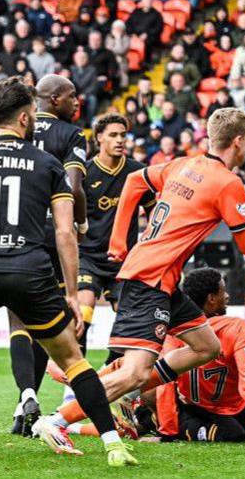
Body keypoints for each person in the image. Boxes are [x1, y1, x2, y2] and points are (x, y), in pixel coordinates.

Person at [34, 108, 245, 453]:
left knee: (207, 347)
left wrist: (119, 241)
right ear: (238, 141)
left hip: (160, 278)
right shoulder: (228, 182)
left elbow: (133, 182)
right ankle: (58, 420)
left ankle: (110, 386)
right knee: (135, 373)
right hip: (151, 279)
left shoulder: (183, 164)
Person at [0, 77, 136, 466]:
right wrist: (72, 293)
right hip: (33, 270)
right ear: (26, 118)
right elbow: (64, 231)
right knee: (73, 359)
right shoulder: (48, 164)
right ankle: (113, 444)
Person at [108, 268, 245, 444]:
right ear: (211, 299)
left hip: (204, 404)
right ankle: (145, 416)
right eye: (223, 291)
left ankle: (144, 415)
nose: (227, 296)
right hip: (197, 405)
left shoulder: (174, 329)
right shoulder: (231, 328)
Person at [6, 74, 89, 436]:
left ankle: (24, 397)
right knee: (48, 320)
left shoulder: (15, 127)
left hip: (12, 233)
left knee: (18, 322)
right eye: (72, 95)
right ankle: (66, 398)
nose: (77, 102)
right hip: (51, 236)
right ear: (54, 99)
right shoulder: (71, 135)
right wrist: (80, 225)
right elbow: (74, 186)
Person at [76, 114, 155, 358]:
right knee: (82, 314)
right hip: (89, 258)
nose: (120, 140)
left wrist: (149, 239)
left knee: (128, 324)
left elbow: (155, 210)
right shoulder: (84, 173)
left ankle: (109, 373)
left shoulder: (137, 172)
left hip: (124, 261)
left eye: (123, 135)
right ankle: (73, 387)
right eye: (113, 135)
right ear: (99, 138)